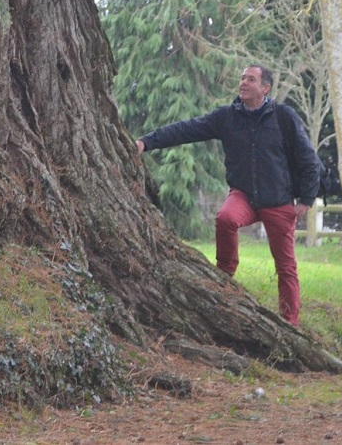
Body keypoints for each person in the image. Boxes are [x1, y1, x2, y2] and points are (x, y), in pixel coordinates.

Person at [135, 65, 321, 326]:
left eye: (251, 79)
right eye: (242, 78)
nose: (243, 83)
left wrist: (306, 200)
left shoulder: (283, 117)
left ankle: (290, 323)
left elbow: (308, 159)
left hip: (278, 200)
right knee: (225, 218)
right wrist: (147, 141)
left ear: (265, 88)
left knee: (286, 266)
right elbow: (187, 129)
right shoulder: (227, 117)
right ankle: (224, 278)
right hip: (243, 195)